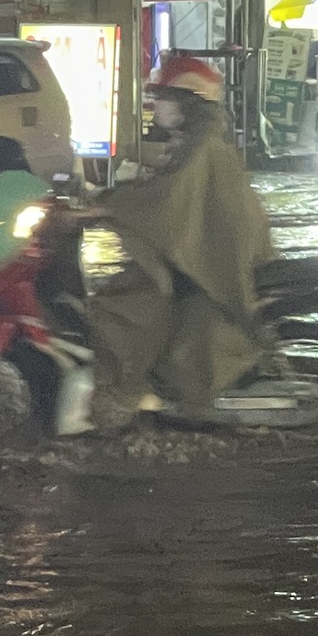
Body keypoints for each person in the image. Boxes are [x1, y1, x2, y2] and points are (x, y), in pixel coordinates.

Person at [81, 54, 277, 430]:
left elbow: (166, 202)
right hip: (205, 256)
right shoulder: (193, 144)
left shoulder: (202, 149)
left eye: (165, 98)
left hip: (218, 266)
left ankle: (155, 398)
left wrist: (106, 205)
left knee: (138, 306)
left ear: (189, 104)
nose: (157, 106)